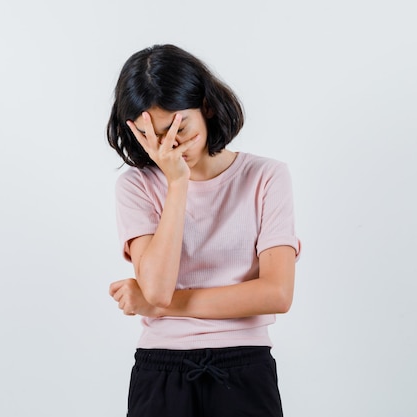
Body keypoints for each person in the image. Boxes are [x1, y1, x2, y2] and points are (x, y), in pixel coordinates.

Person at [106, 44, 301, 417]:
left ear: (206, 108)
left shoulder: (266, 177)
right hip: (159, 370)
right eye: (157, 136)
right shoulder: (136, 186)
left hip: (245, 369)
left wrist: (160, 306)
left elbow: (277, 293)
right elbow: (158, 288)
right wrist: (177, 184)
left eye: (180, 128)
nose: (170, 145)